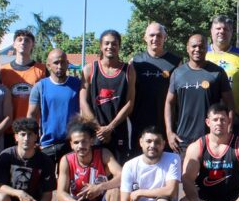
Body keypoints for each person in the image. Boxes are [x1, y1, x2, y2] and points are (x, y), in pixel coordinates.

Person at [52, 119, 122, 201]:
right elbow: (60, 194)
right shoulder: (66, 160)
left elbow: (122, 176)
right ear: (71, 145)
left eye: (84, 141)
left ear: (91, 141)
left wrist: (100, 187)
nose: (80, 146)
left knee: (116, 191)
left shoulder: (103, 153)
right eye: (76, 142)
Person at [165, 34, 233, 156]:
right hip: (183, 139)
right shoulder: (178, 73)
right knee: (185, 175)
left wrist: (229, 127)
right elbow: (169, 103)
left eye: (201, 46)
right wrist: (169, 132)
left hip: (211, 138)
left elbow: (229, 104)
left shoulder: (217, 72)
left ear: (207, 48)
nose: (197, 49)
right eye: (194, 46)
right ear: (187, 48)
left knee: (211, 175)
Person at [81, 29, 136, 164]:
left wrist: (110, 127)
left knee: (119, 175)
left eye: (114, 44)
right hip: (94, 132)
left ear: (119, 46)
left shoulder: (128, 70)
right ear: (101, 46)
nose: (110, 47)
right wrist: (99, 129)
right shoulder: (89, 69)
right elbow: (83, 102)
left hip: (118, 131)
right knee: (95, 174)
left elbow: (130, 103)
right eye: (106, 43)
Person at [130, 22, 181, 154]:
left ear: (165, 38)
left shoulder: (176, 62)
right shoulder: (135, 62)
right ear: (145, 37)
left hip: (166, 124)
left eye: (159, 35)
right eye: (151, 35)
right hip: (140, 123)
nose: (155, 39)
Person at [28, 48, 82, 162]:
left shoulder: (78, 84)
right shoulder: (40, 87)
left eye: (63, 62)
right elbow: (31, 115)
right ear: (48, 65)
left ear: (68, 64)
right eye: (56, 62)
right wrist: (32, 140)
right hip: (47, 144)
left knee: (69, 179)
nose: (60, 66)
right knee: (46, 179)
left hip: (72, 143)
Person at [0, 29, 47, 146]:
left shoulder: (42, 70)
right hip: (9, 130)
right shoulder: (3, 71)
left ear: (32, 45)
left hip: (32, 130)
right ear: (14, 44)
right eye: (19, 40)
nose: (23, 43)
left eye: (27, 40)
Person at [206, 15, 239, 134]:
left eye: (226, 29)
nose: (221, 32)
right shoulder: (201, 53)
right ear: (211, 31)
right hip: (206, 119)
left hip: (232, 119)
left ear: (231, 32)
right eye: (218, 28)